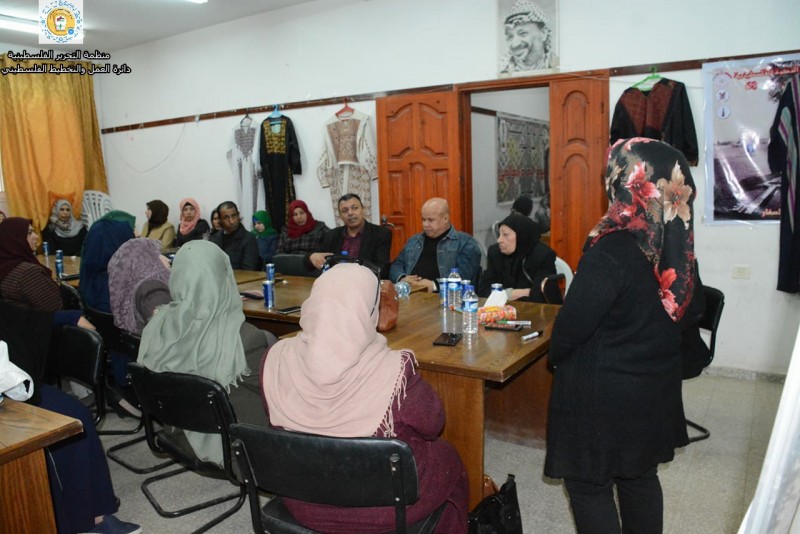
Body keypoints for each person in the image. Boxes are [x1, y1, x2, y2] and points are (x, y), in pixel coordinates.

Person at [544, 138, 696, 533]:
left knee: (589, 485)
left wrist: (554, 357)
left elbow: (571, 327)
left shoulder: (612, 249)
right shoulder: (677, 250)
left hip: (603, 396)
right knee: (640, 477)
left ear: (624, 183)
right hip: (652, 388)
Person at [262, 263, 468, 533]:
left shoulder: (275, 357)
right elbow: (433, 424)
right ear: (370, 312)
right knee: (448, 458)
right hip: (384, 508)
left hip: (302, 501)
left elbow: (275, 420)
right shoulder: (395, 372)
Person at [0, 300, 141, 534]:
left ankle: (94, 515)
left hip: (11, 386)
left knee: (75, 417)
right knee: (35, 439)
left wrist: (67, 316)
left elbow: (20, 317)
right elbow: (46, 296)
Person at [138, 240, 276, 466]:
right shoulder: (245, 338)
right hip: (235, 448)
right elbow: (272, 396)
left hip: (176, 430)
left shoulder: (156, 325)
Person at [0, 217, 93, 329]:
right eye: (29, 233)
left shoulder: (6, 267)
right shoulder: (28, 273)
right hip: (46, 332)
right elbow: (55, 309)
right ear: (14, 239)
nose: (36, 236)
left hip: (19, 330)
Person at [390, 197, 481, 292]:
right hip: (410, 293)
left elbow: (465, 275)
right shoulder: (414, 241)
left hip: (444, 296)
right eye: (423, 219)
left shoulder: (465, 242)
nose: (425, 224)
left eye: (430, 220)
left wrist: (434, 285)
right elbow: (396, 264)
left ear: (445, 218)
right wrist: (402, 278)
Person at [307, 193, 392, 277]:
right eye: (345, 211)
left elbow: (382, 269)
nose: (350, 213)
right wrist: (312, 257)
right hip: (336, 281)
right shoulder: (332, 235)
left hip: (365, 281)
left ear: (363, 210)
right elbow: (309, 260)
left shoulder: (381, 234)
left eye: (355, 208)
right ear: (340, 216)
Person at [477, 213, 556, 302]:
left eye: (505, 235)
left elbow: (541, 295)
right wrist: (512, 293)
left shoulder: (543, 255)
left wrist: (500, 294)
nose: (499, 240)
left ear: (521, 236)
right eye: (499, 234)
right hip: (503, 309)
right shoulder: (495, 253)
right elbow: (483, 291)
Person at [108, 238, 172, 335]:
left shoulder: (136, 287)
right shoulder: (154, 292)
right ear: (147, 258)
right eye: (157, 253)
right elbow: (168, 334)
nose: (167, 259)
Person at [500, 0, 553, 74]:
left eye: (523, 34)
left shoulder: (558, 66)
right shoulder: (505, 73)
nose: (514, 44)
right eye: (510, 37)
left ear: (543, 33)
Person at [208, 200, 260, 270]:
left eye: (234, 216)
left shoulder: (249, 239)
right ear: (220, 220)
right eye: (226, 217)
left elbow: (248, 270)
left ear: (238, 215)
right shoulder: (215, 239)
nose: (231, 221)